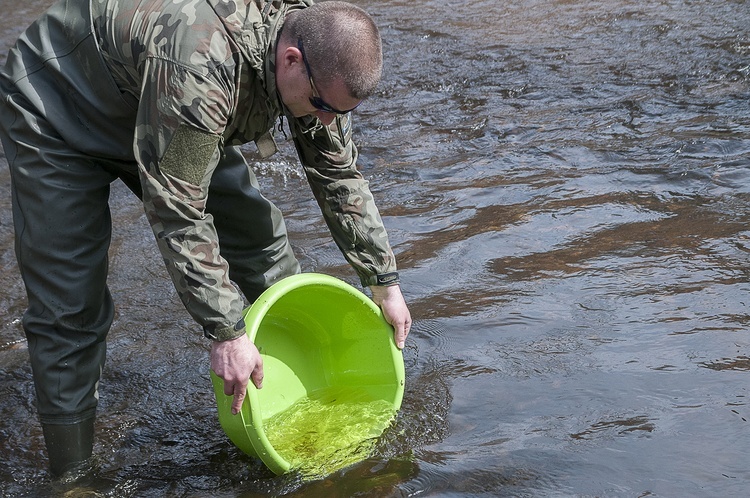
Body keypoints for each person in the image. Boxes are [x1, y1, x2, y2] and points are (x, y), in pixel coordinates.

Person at [0, 0, 412, 478]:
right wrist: (226, 331)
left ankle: (300, 383)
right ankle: (72, 476)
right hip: (59, 107)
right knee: (70, 306)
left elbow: (337, 172)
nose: (324, 119)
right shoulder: (202, 71)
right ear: (291, 60)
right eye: (321, 105)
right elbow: (177, 211)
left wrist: (384, 280)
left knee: (261, 240)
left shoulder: (318, 51)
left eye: (337, 111)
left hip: (162, 103)